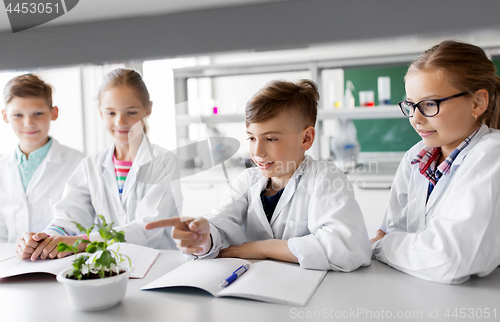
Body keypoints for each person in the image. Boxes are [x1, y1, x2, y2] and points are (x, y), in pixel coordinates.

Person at [146, 79, 371, 271]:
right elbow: (221, 224)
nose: (257, 151)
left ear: (306, 139)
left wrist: (261, 248)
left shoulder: (325, 178)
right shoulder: (247, 181)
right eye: (252, 138)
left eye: (271, 139)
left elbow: (346, 248)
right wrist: (203, 237)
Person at [15, 68, 182, 261]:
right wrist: (44, 238)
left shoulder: (164, 162)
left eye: (131, 112)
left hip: (159, 263)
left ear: (148, 109)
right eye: (111, 113)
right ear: (100, 112)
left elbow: (149, 229)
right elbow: (69, 215)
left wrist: (85, 241)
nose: (120, 122)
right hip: (110, 265)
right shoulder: (91, 166)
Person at [370, 40, 500, 284]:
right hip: (415, 288)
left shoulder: (492, 155)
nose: (416, 119)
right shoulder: (416, 156)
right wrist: (393, 243)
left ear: (477, 103)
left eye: (430, 104)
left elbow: (451, 260)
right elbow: (391, 230)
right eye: (411, 105)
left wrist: (384, 246)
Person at [0, 74, 84, 243]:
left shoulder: (79, 163)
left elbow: (82, 223)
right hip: (10, 264)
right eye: (18, 115)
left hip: (62, 261)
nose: (28, 123)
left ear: (54, 113)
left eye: (38, 113)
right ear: (5, 116)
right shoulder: (2, 167)